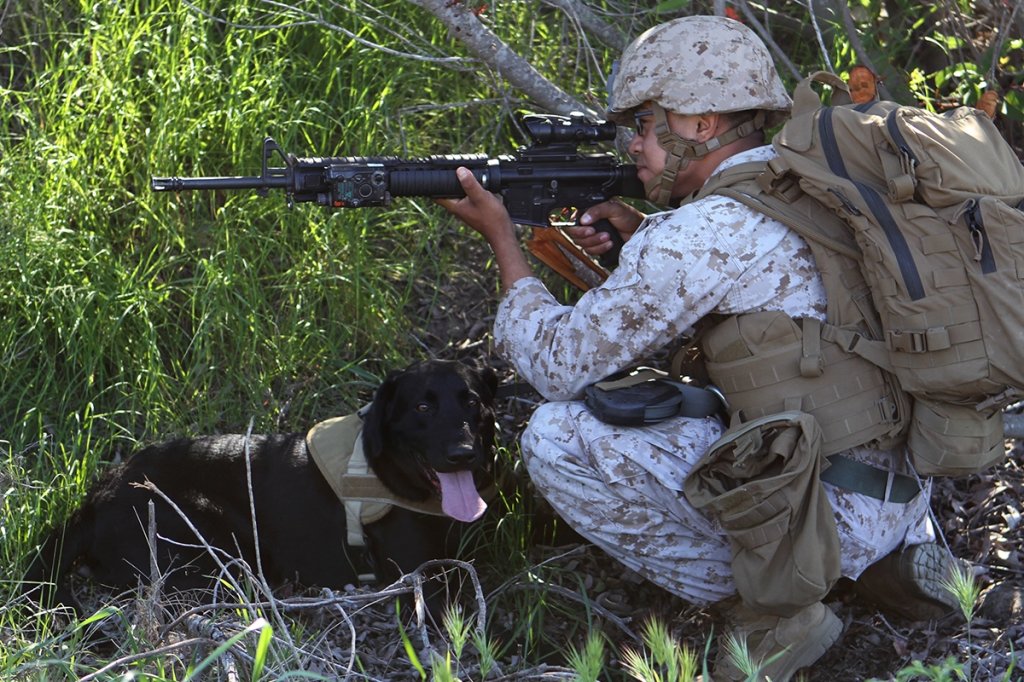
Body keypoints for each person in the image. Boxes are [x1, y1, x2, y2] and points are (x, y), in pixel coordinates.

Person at [438, 15, 956, 681]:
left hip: (830, 508)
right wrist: (644, 234)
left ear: (701, 124)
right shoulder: (811, 178)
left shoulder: (700, 234)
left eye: (645, 124)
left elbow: (557, 366)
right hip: (902, 485)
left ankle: (776, 608)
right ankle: (886, 564)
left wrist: (505, 244)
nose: (633, 144)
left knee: (555, 435)